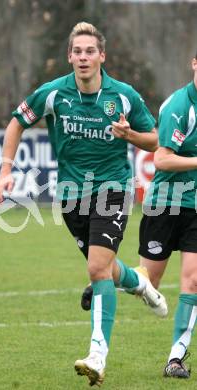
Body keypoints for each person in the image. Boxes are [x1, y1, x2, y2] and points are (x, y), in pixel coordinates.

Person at [0, 22, 167, 387]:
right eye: (78, 51)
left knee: (96, 269)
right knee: (104, 268)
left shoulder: (123, 96)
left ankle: (97, 356)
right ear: (70, 57)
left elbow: (155, 141)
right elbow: (16, 123)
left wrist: (130, 134)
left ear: (102, 56)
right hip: (72, 196)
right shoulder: (54, 93)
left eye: (90, 51)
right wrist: (5, 170)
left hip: (113, 189)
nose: (83, 57)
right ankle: (141, 283)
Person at [138, 52, 197, 379]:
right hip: (165, 202)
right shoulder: (180, 106)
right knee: (149, 284)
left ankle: (175, 358)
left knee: (194, 280)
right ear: (193, 63)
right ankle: (106, 278)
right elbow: (161, 160)